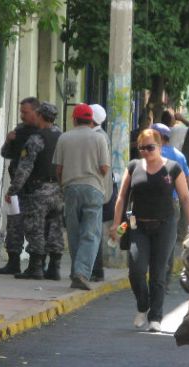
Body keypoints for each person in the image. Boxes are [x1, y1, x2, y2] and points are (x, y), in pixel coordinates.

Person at [110, 128, 189, 332]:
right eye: (142, 148)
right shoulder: (133, 167)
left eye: (150, 147)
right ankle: (142, 305)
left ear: (160, 146)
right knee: (137, 269)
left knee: (158, 273)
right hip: (137, 225)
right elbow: (121, 197)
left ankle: (155, 317)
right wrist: (115, 224)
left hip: (165, 225)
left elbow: (185, 198)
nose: (146, 152)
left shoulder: (173, 168)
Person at [54, 103, 111, 290]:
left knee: (73, 231)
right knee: (91, 233)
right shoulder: (99, 138)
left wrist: (65, 183)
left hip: (70, 188)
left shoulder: (64, 138)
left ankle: (76, 271)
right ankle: (81, 272)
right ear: (91, 119)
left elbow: (58, 169)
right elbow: (104, 168)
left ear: (74, 119)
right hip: (93, 187)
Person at [4, 102, 64, 280]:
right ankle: (54, 267)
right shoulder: (60, 135)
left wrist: (13, 189)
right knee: (55, 229)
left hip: (38, 191)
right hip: (57, 189)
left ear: (40, 116)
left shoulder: (36, 139)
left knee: (35, 228)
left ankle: (35, 267)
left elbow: (25, 167)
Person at [0, 97, 41, 275]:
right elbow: (6, 153)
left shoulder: (42, 132)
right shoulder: (20, 130)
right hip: (17, 187)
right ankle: (13, 261)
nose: (22, 116)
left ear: (36, 112)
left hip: (35, 187)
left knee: (35, 227)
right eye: (21, 112)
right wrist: (8, 141)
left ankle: (36, 264)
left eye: (25, 112)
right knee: (14, 224)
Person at [150, 122, 189, 291]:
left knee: (150, 239)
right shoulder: (179, 156)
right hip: (172, 203)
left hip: (149, 203)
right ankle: (164, 281)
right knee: (168, 242)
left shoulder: (148, 154)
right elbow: (187, 181)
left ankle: (153, 278)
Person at [90, 103, 114, 282]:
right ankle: (95, 269)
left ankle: (96, 270)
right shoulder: (99, 136)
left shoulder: (99, 137)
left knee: (92, 231)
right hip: (100, 190)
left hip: (98, 191)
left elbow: (103, 167)